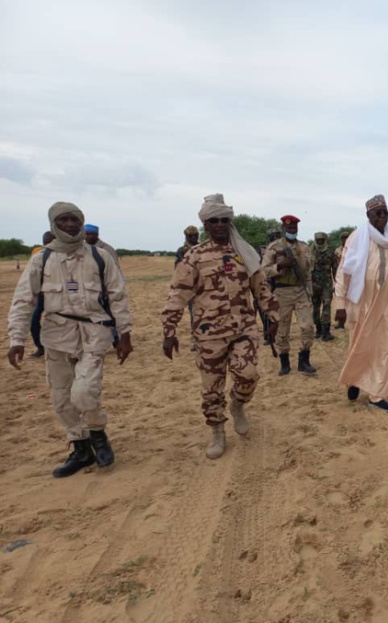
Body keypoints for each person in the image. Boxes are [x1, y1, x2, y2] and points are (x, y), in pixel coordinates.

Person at [7, 202, 133, 477]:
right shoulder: (41, 259)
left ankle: (98, 436)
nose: (70, 224)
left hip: (94, 333)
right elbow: (23, 300)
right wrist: (17, 339)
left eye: (75, 219)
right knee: (61, 398)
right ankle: (81, 448)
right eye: (63, 220)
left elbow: (118, 296)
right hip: (56, 336)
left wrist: (125, 335)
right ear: (54, 223)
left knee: (85, 391)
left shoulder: (100, 257)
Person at [161, 194, 279, 459]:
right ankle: (217, 431)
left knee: (248, 374)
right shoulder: (194, 257)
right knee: (211, 387)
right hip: (209, 334)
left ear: (230, 222)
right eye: (213, 221)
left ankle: (238, 404)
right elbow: (177, 295)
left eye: (224, 220)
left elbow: (261, 288)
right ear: (206, 225)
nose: (219, 225)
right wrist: (169, 331)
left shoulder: (244, 253)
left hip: (243, 329)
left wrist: (273, 317)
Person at [334, 194, 388, 413]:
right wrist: (340, 304)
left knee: (386, 350)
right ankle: (354, 380)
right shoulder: (357, 238)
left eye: (385, 213)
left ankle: (377, 396)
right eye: (377, 213)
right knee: (360, 346)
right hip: (362, 303)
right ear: (368, 215)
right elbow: (344, 272)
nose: (382, 217)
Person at [261, 215, 316, 375]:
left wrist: (309, 291)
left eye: (295, 228)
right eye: (289, 228)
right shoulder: (274, 247)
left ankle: (304, 360)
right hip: (282, 292)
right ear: (283, 229)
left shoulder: (304, 247)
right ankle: (284, 362)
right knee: (282, 329)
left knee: (308, 326)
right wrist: (279, 266)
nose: (292, 231)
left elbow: (308, 273)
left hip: (301, 291)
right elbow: (264, 271)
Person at [28, 231, 55, 358]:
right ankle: (40, 346)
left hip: (56, 294)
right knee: (33, 321)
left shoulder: (62, 254)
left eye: (50, 241)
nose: (47, 243)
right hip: (40, 294)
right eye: (45, 241)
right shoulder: (37, 253)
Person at [311, 232, 338, 342]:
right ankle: (318, 330)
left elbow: (335, 269)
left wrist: (337, 283)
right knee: (315, 308)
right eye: (318, 239)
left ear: (325, 240)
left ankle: (326, 332)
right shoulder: (310, 252)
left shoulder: (331, 252)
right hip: (313, 284)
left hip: (326, 284)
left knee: (326, 306)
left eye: (322, 239)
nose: (320, 241)